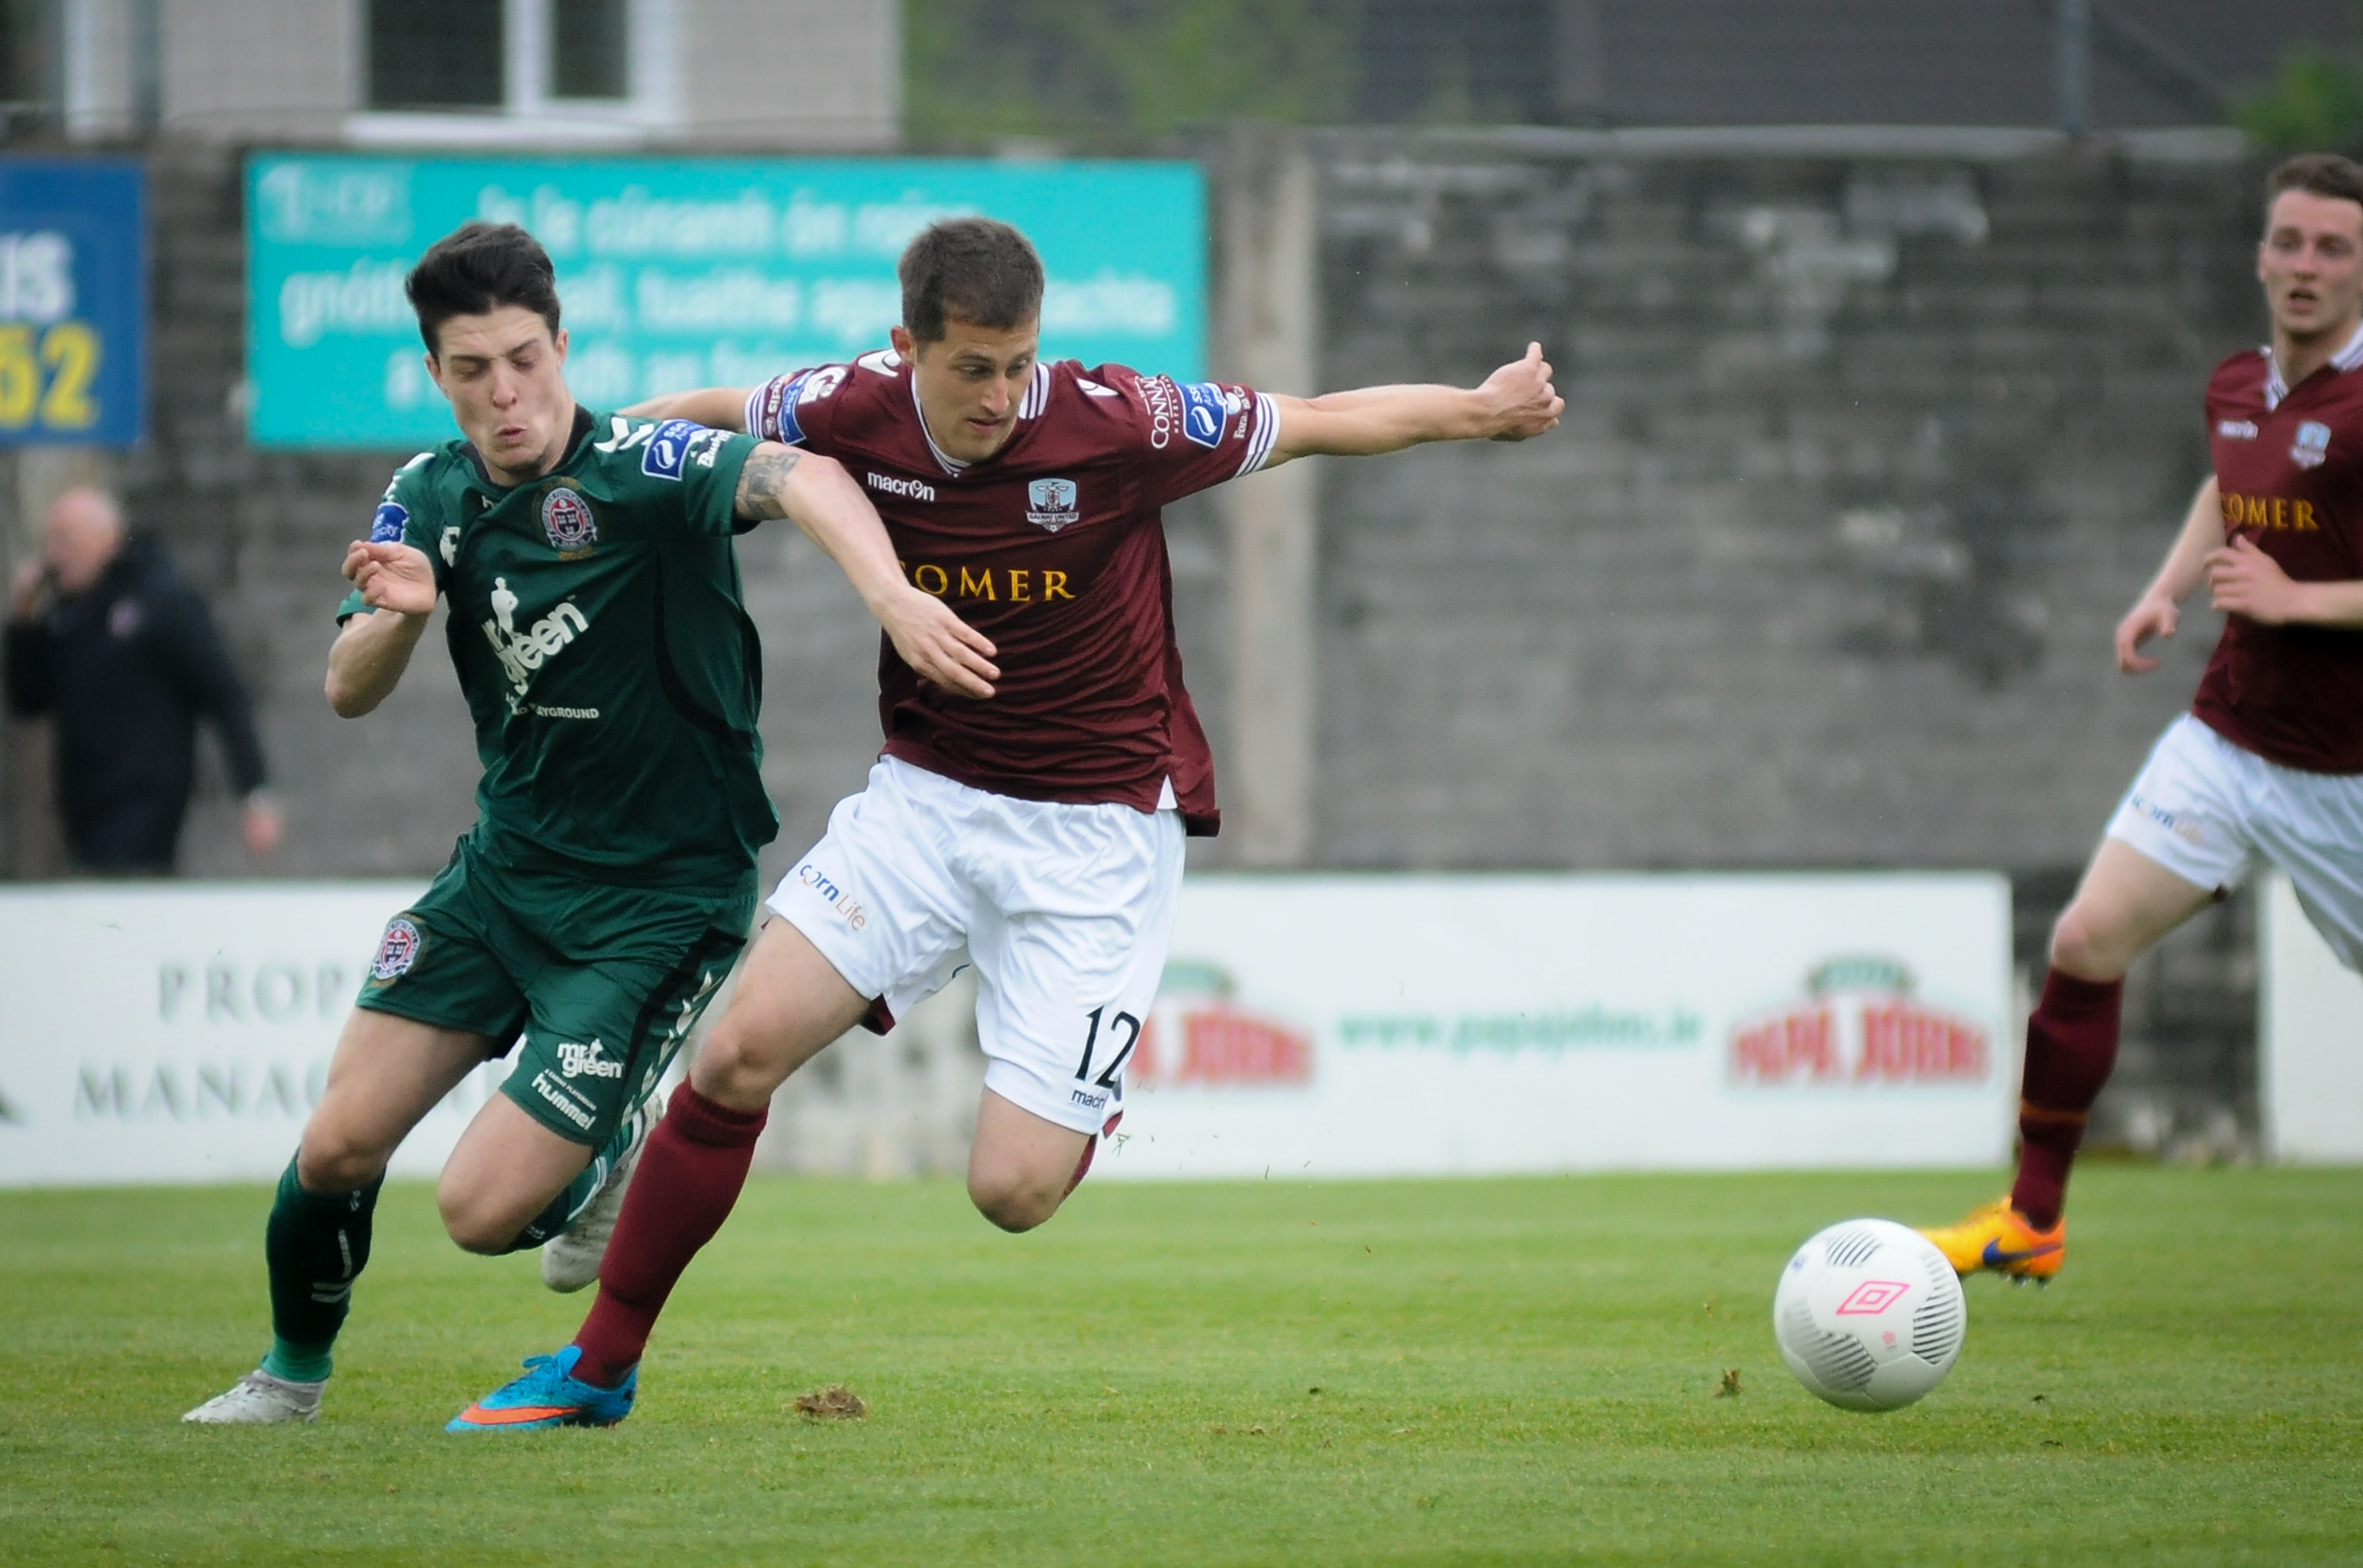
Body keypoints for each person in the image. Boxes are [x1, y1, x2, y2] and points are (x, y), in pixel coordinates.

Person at [448, 215, 1562, 1431]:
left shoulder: (1118, 421)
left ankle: (1087, 1085)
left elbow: (1319, 419)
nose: (1001, 395)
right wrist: (572, 463)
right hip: (925, 805)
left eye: (1019, 362)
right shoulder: (845, 406)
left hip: (1093, 838)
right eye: (971, 367)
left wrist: (1479, 407)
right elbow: (711, 412)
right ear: (905, 348)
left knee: (1012, 1192)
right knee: (732, 1054)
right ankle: (597, 1366)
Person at [182, 221, 994, 1425]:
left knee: (477, 1213)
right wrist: (398, 616)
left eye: (525, 359)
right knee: (337, 1147)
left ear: (562, 344)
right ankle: (288, 1377)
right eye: (473, 371)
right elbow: (347, 687)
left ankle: (606, 1152)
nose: (506, 394)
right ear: (436, 375)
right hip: (503, 879)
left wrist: (888, 592)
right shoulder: (426, 495)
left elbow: (804, 475)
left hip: (655, 906)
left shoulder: (650, 467)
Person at [1924, 152, 2363, 1284]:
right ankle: (2033, 1219)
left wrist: (2301, 600)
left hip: (2349, 774)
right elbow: (2233, 481)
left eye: (2333, 247)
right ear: (2260, 253)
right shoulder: (2237, 382)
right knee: (2083, 941)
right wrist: (2167, 588)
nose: (2305, 266)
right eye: (2289, 242)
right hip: (2229, 739)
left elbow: (2292, 555)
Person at [6, 486, 282, 872]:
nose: (54, 555)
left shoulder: (162, 599)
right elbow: (29, 698)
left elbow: (224, 694)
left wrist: (254, 792)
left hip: (144, 801)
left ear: (106, 539)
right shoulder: (70, 611)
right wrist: (23, 622)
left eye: (66, 541)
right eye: (50, 541)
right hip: (81, 806)